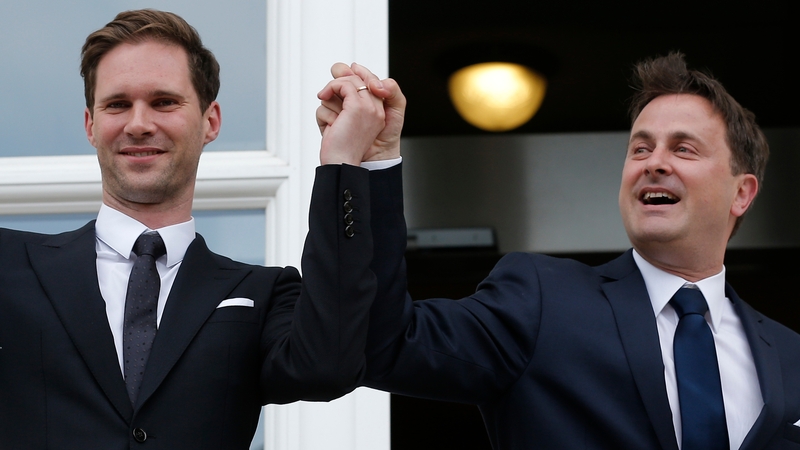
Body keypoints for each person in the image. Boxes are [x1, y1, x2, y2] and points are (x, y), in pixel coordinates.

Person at [318, 53, 800, 449]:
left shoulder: (790, 356)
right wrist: (369, 166)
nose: (654, 163)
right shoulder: (542, 301)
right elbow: (379, 343)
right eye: (640, 148)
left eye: (683, 149)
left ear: (742, 193)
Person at [0, 9, 391, 449]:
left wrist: (342, 165)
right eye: (117, 104)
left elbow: (328, 368)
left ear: (211, 121)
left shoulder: (263, 293)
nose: (138, 124)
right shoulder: (9, 265)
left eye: (164, 102)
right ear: (91, 125)